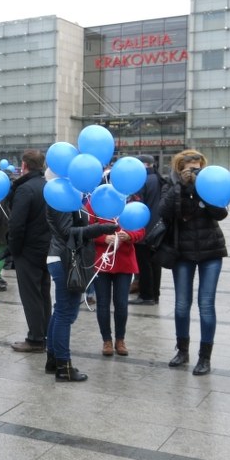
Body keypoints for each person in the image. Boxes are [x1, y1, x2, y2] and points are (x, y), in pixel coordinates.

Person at [159, 149, 229, 375]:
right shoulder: (171, 184)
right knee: (181, 305)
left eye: (197, 167)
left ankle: (205, 357)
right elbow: (165, 211)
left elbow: (220, 214)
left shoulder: (209, 184)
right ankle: (182, 350)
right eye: (189, 168)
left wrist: (201, 189)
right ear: (180, 167)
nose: (194, 171)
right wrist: (181, 185)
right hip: (182, 252)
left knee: (206, 305)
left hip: (211, 250)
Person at [45, 202, 118, 381]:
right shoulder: (62, 196)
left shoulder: (70, 195)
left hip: (65, 257)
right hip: (65, 259)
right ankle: (64, 366)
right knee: (65, 313)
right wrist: (99, 229)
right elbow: (66, 231)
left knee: (62, 311)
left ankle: (54, 360)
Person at [6, 149, 52, 353]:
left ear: (24, 165)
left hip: (28, 250)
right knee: (43, 292)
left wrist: (14, 250)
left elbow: (17, 225)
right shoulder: (47, 187)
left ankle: (35, 338)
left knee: (31, 294)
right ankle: (46, 333)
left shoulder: (25, 189)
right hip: (47, 248)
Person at [87, 198, 144, 357]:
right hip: (101, 260)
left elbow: (140, 229)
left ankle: (120, 340)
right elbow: (86, 228)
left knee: (121, 303)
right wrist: (103, 238)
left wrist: (129, 235)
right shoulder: (94, 202)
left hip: (124, 261)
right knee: (103, 303)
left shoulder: (132, 202)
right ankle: (107, 340)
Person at [131, 154, 167, 305]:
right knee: (155, 264)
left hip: (144, 230)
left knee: (144, 264)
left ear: (144, 165)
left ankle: (146, 295)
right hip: (158, 230)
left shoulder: (142, 181)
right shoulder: (160, 179)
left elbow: (137, 206)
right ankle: (155, 294)